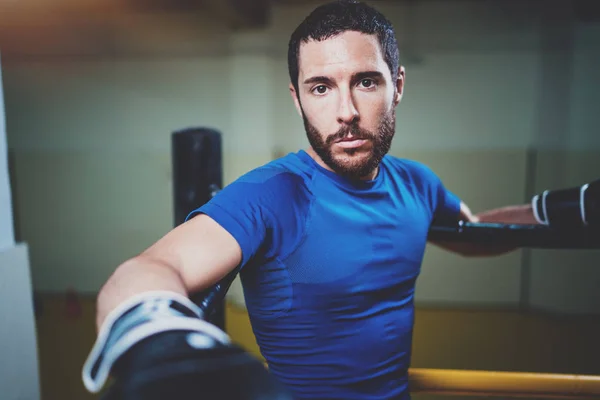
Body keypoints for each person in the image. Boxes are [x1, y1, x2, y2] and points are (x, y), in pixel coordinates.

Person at [85, 1, 547, 399]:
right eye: (321, 87)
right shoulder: (272, 194)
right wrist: (158, 337)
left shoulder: (417, 184)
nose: (345, 111)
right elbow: (148, 270)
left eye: (366, 82)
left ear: (398, 85)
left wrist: (557, 213)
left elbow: (477, 233)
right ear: (298, 98)